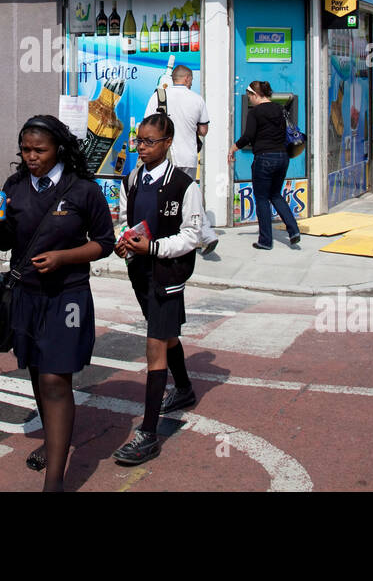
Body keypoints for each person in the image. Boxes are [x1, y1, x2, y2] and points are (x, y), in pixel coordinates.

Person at [0, 116, 115, 491]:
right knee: (39, 376)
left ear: (58, 148)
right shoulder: (14, 186)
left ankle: (55, 479)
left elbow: (104, 242)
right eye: (25, 150)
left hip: (67, 295)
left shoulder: (83, 190)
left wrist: (64, 257)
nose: (31, 157)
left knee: (56, 379)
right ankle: (52, 440)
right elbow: (3, 244)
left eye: (39, 150)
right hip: (27, 296)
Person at [111, 113, 203, 464]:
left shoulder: (185, 185)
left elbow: (191, 235)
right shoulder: (132, 179)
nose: (142, 148)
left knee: (154, 347)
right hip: (140, 272)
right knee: (166, 337)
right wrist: (125, 242)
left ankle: (148, 434)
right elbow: (125, 219)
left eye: (149, 142)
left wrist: (153, 248)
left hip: (168, 274)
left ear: (167, 143)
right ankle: (183, 389)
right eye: (139, 141)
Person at [144, 64, 219, 253]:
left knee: (164, 196)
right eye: (191, 80)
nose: (191, 82)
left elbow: (146, 124)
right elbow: (203, 130)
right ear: (186, 79)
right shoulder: (197, 99)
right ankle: (206, 234)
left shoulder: (158, 96)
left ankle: (173, 234)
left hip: (165, 158)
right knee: (189, 196)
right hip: (189, 158)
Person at [228, 81, 301, 251]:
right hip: (282, 157)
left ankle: (265, 241)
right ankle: (294, 230)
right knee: (275, 194)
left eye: (249, 97)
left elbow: (248, 136)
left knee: (261, 198)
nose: (249, 100)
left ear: (255, 95)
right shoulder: (280, 109)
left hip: (264, 158)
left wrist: (233, 148)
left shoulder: (255, 113)